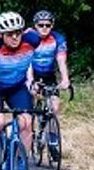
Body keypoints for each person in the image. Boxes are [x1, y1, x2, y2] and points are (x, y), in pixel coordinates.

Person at [0, 11, 37, 170]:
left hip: (17, 87)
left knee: (27, 123)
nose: (14, 37)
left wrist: (34, 84)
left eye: (18, 32)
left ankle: (20, 169)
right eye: (9, 34)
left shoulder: (31, 40)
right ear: (1, 34)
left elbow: (46, 36)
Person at [26, 10, 70, 145]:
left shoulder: (58, 38)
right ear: (35, 25)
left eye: (47, 25)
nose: (44, 28)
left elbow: (61, 60)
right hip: (32, 72)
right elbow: (27, 61)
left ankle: (52, 138)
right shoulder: (29, 37)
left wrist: (65, 79)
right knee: (32, 99)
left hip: (49, 75)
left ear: (52, 25)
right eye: (41, 25)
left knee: (54, 107)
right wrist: (30, 81)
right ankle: (30, 132)